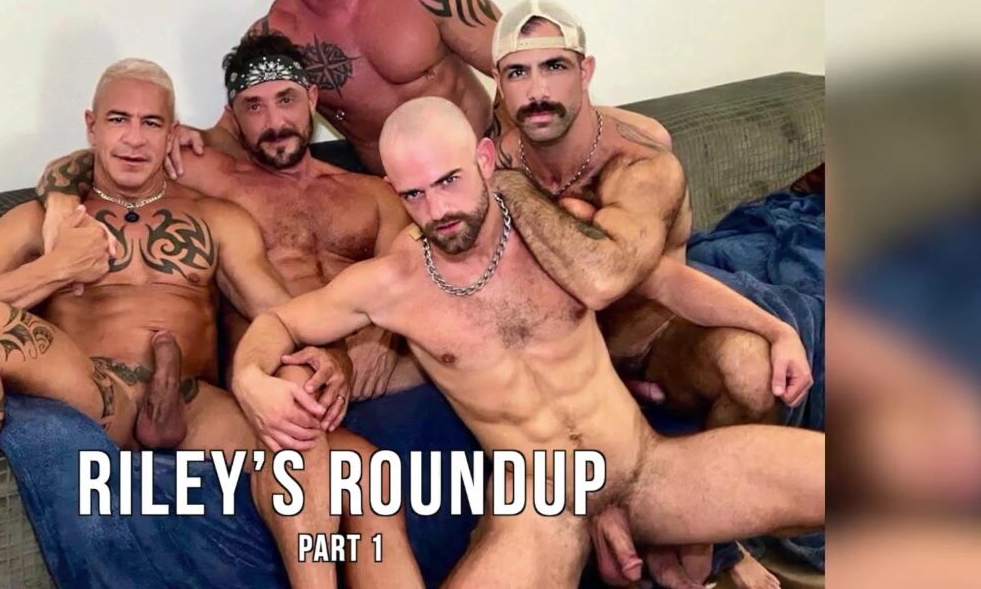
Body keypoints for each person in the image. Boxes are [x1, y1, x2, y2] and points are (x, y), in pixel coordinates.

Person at [231, 97, 825, 589]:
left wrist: (775, 330)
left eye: (449, 181)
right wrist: (249, 378)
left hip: (647, 471)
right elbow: (278, 324)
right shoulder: (391, 285)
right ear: (394, 190)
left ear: (485, 159)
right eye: (415, 195)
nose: (438, 210)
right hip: (543, 507)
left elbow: (668, 282)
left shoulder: (556, 233)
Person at [0, 59, 401, 589]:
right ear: (92, 127)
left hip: (195, 402)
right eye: (119, 120)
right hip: (96, 388)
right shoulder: (42, 220)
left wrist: (333, 354)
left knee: (311, 429)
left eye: (151, 123)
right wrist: (58, 267)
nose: (134, 140)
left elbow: (280, 313)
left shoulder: (218, 220)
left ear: (172, 136)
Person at [486, 0, 817, 587]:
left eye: (554, 67)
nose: (537, 90)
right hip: (569, 362)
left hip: (658, 336)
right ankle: (699, 544)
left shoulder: (640, 162)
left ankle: (717, 538)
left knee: (751, 366)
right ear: (499, 86)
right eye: (518, 72)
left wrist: (777, 330)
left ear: (585, 71)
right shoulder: (489, 162)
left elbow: (617, 279)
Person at [36, 32, 424, 402]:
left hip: (379, 363)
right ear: (232, 118)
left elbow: (409, 273)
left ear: (311, 99)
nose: (274, 122)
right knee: (293, 382)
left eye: (286, 99)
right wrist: (61, 198)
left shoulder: (372, 194)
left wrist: (384, 342)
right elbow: (109, 158)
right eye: (254, 107)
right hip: (285, 360)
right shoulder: (211, 176)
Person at [169, 0, 507, 176]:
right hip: (400, 192)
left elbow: (515, 62)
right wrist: (195, 138)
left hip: (487, 161)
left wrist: (506, 149)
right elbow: (236, 131)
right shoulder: (275, 39)